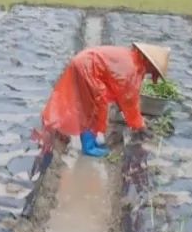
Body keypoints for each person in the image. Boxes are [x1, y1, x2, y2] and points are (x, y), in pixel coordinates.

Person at [36, 42, 170, 160]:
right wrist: (139, 125)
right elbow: (129, 100)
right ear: (149, 63)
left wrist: (132, 117)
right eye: (153, 70)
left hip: (85, 63)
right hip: (87, 68)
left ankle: (86, 138)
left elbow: (121, 91)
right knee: (93, 106)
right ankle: (88, 146)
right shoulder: (131, 68)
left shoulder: (132, 60)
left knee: (86, 104)